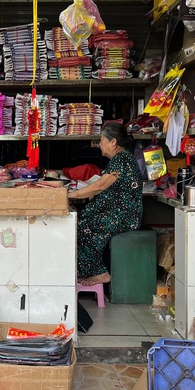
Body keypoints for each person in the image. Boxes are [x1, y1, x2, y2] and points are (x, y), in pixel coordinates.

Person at [68, 122, 142, 286]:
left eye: (102, 140)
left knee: (81, 227)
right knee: (82, 221)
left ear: (113, 142)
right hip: (118, 213)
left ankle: (100, 272)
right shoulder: (122, 159)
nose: (100, 144)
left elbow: (101, 186)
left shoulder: (122, 159)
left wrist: (70, 195)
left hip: (124, 216)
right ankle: (94, 269)